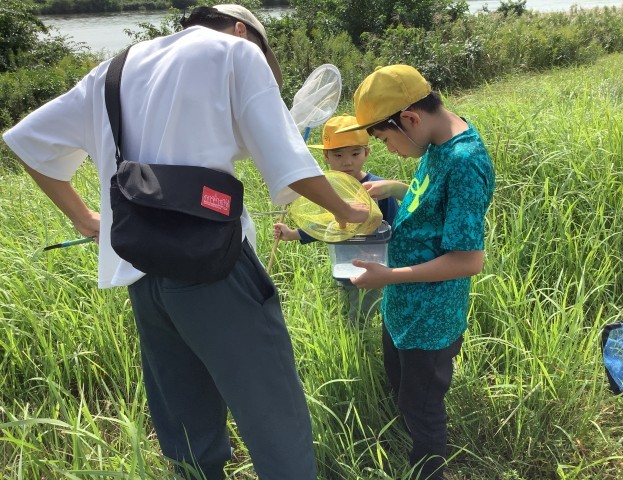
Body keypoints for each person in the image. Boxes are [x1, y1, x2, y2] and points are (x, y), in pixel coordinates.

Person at [2, 5, 371, 480]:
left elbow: (29, 142)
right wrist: (348, 210)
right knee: (274, 417)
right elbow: (291, 167)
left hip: (141, 270)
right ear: (242, 30)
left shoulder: (113, 69)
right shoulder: (237, 51)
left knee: (186, 426)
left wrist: (85, 219)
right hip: (215, 270)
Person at [336, 65, 495, 479]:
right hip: (404, 305)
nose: (389, 149)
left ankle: (428, 470)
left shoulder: (463, 160)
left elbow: (468, 260)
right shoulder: (437, 143)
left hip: (430, 315)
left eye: (386, 140)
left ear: (409, 119)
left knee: (421, 404)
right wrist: (395, 188)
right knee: (401, 384)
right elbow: (436, 204)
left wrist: (387, 277)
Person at [273, 114, 399, 326]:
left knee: (362, 314)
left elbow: (395, 226)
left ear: (366, 153)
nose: (347, 161)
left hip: (374, 263)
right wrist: (293, 234)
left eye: (355, 153)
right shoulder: (329, 191)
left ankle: (360, 343)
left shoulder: (379, 189)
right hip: (343, 262)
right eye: (338, 155)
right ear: (326, 157)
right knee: (348, 300)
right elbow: (324, 224)